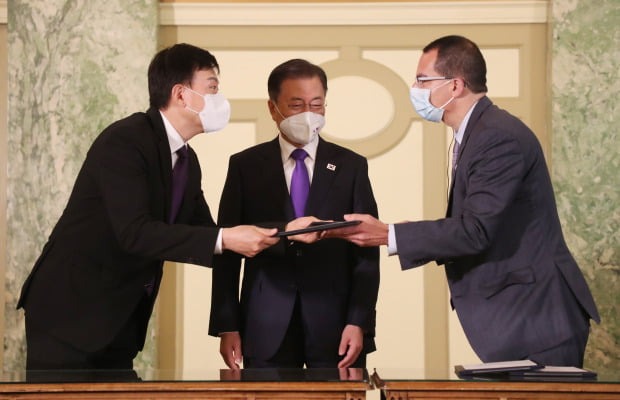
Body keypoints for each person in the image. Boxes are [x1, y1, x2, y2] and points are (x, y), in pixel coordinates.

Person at [328, 36, 599, 367]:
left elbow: (476, 231)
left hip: (537, 321)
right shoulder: (478, 132)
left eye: (422, 80)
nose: (415, 88)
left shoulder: (497, 137)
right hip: (518, 320)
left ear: (455, 86)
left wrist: (389, 234)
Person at [17, 43, 279, 370]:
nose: (219, 99)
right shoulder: (125, 141)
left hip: (119, 318)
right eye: (212, 87)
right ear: (181, 95)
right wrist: (225, 239)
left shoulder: (186, 159)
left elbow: (204, 234)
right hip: (70, 313)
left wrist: (287, 232)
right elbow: (135, 233)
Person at [208, 59, 380, 369]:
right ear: (273, 108)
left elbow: (366, 252)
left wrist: (360, 321)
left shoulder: (351, 166)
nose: (308, 114)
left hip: (337, 326)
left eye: (317, 104)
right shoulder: (245, 166)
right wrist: (227, 325)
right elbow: (226, 252)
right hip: (263, 324)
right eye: (297, 105)